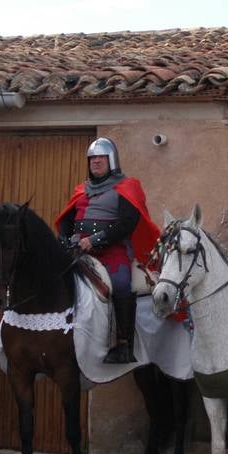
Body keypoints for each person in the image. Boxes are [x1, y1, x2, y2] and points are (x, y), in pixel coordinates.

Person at [54, 137, 160, 363]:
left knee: (121, 283)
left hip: (112, 251)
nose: (96, 162)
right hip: (78, 251)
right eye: (92, 158)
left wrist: (95, 239)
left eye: (101, 157)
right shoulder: (81, 189)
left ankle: (124, 345)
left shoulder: (128, 187)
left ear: (112, 160)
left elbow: (127, 223)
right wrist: (64, 239)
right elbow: (66, 220)